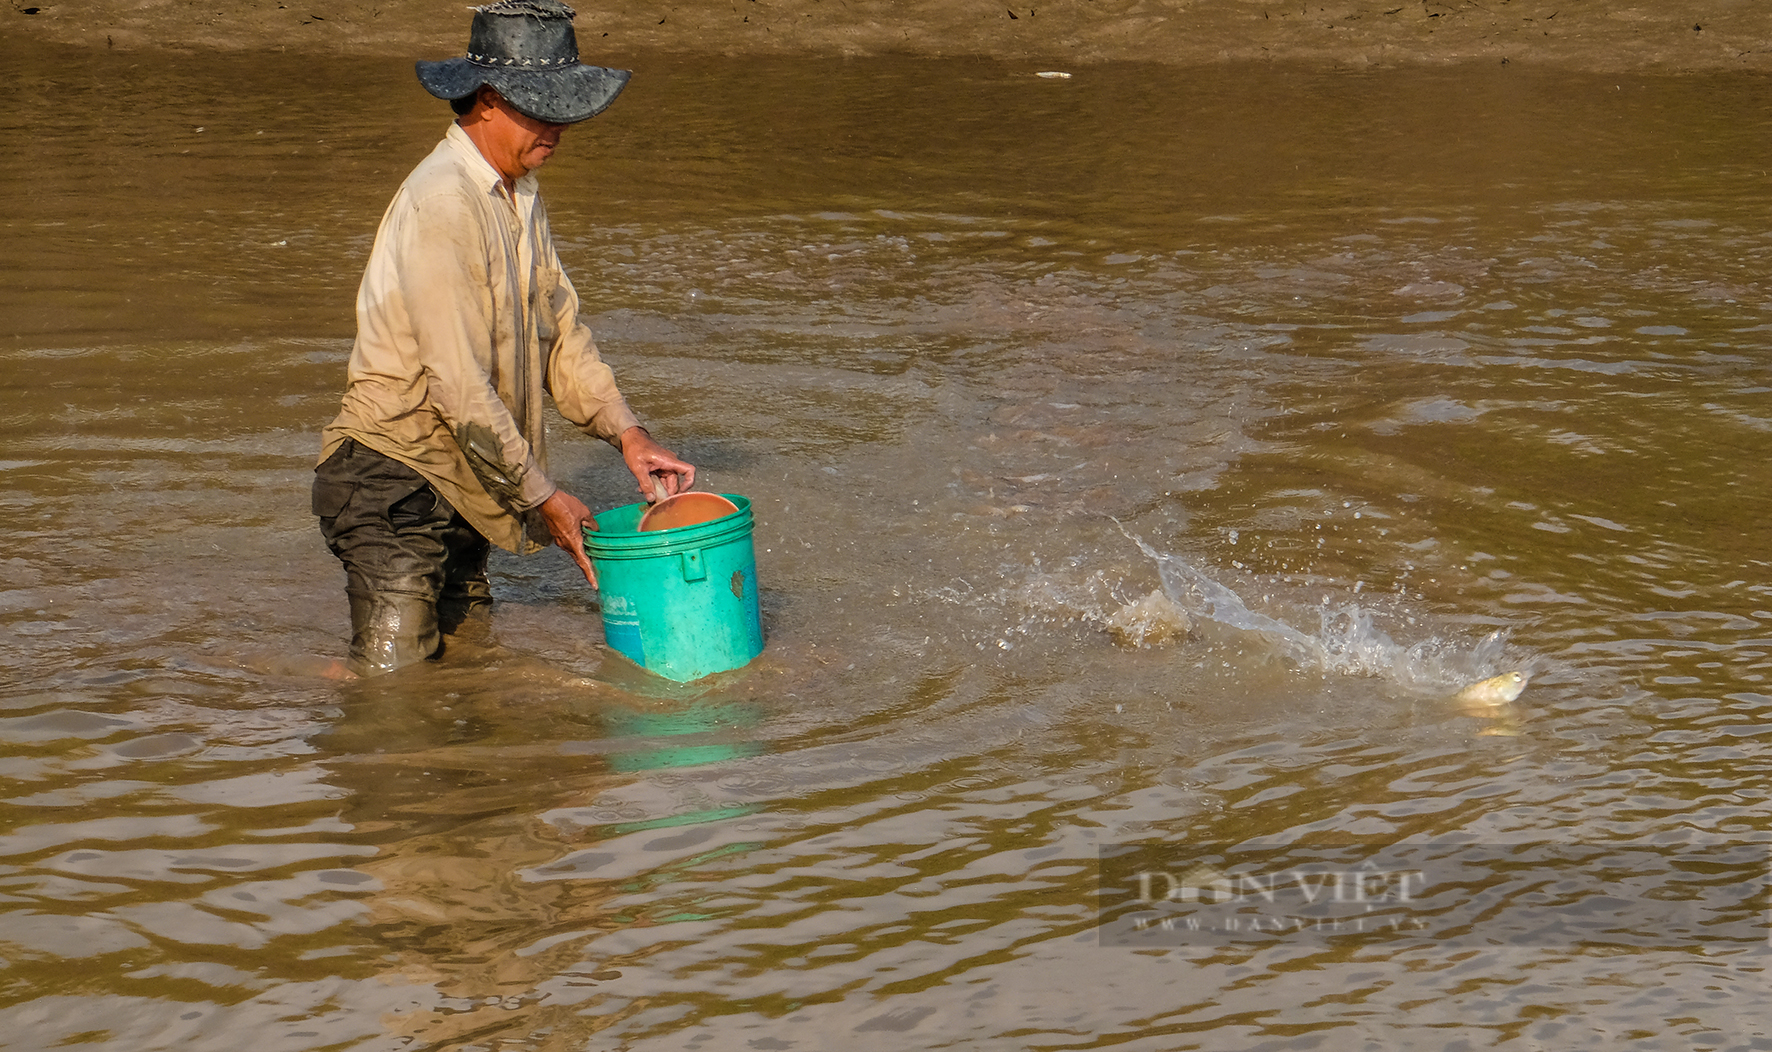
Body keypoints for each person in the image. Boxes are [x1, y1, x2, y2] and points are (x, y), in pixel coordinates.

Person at [312, 0, 693, 677]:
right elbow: (457, 386)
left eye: (563, 111)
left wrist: (628, 434)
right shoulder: (445, 204)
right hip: (390, 476)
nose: (558, 129)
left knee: (464, 679)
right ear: (487, 101)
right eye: (541, 110)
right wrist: (545, 497)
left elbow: (560, 334)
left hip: (468, 481)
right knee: (393, 692)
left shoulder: (517, 192)